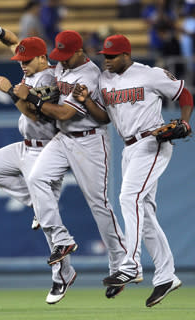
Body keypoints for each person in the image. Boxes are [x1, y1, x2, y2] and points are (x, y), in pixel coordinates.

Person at [12, 29, 143, 301]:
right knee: (36, 178)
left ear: (79, 51)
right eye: (57, 54)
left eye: (65, 54)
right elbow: (26, 53)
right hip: (63, 137)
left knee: (99, 205)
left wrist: (33, 98)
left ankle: (123, 266)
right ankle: (61, 240)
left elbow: (65, 112)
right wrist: (2, 34)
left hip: (90, 141)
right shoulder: (60, 66)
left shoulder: (89, 75)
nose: (60, 59)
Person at [72, 34, 193, 307]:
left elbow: (184, 94)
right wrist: (87, 100)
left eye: (112, 56)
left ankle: (131, 265)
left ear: (127, 54)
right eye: (105, 56)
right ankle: (166, 276)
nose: (107, 60)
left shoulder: (150, 75)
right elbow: (105, 117)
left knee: (129, 198)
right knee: (145, 212)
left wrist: (184, 122)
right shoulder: (105, 79)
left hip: (152, 141)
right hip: (128, 147)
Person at [0, 22, 76, 304]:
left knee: (48, 225)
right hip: (25, 147)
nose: (21, 63)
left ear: (43, 58)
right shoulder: (32, 65)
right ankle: (34, 201)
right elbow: (14, 42)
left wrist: (10, 92)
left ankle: (62, 275)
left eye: (26, 60)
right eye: (20, 60)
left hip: (47, 151)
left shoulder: (48, 78)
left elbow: (36, 115)